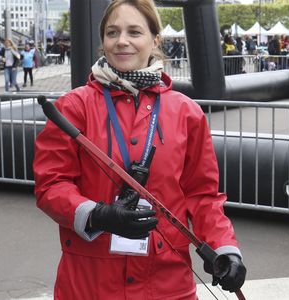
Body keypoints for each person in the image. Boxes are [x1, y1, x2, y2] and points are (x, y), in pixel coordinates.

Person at [33, 0, 246, 299]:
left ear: (154, 39)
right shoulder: (73, 106)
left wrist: (226, 250)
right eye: (112, 32)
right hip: (89, 284)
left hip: (168, 284)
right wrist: (98, 214)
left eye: (134, 31)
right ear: (103, 40)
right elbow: (51, 186)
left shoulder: (187, 112)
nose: (122, 41)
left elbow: (203, 195)